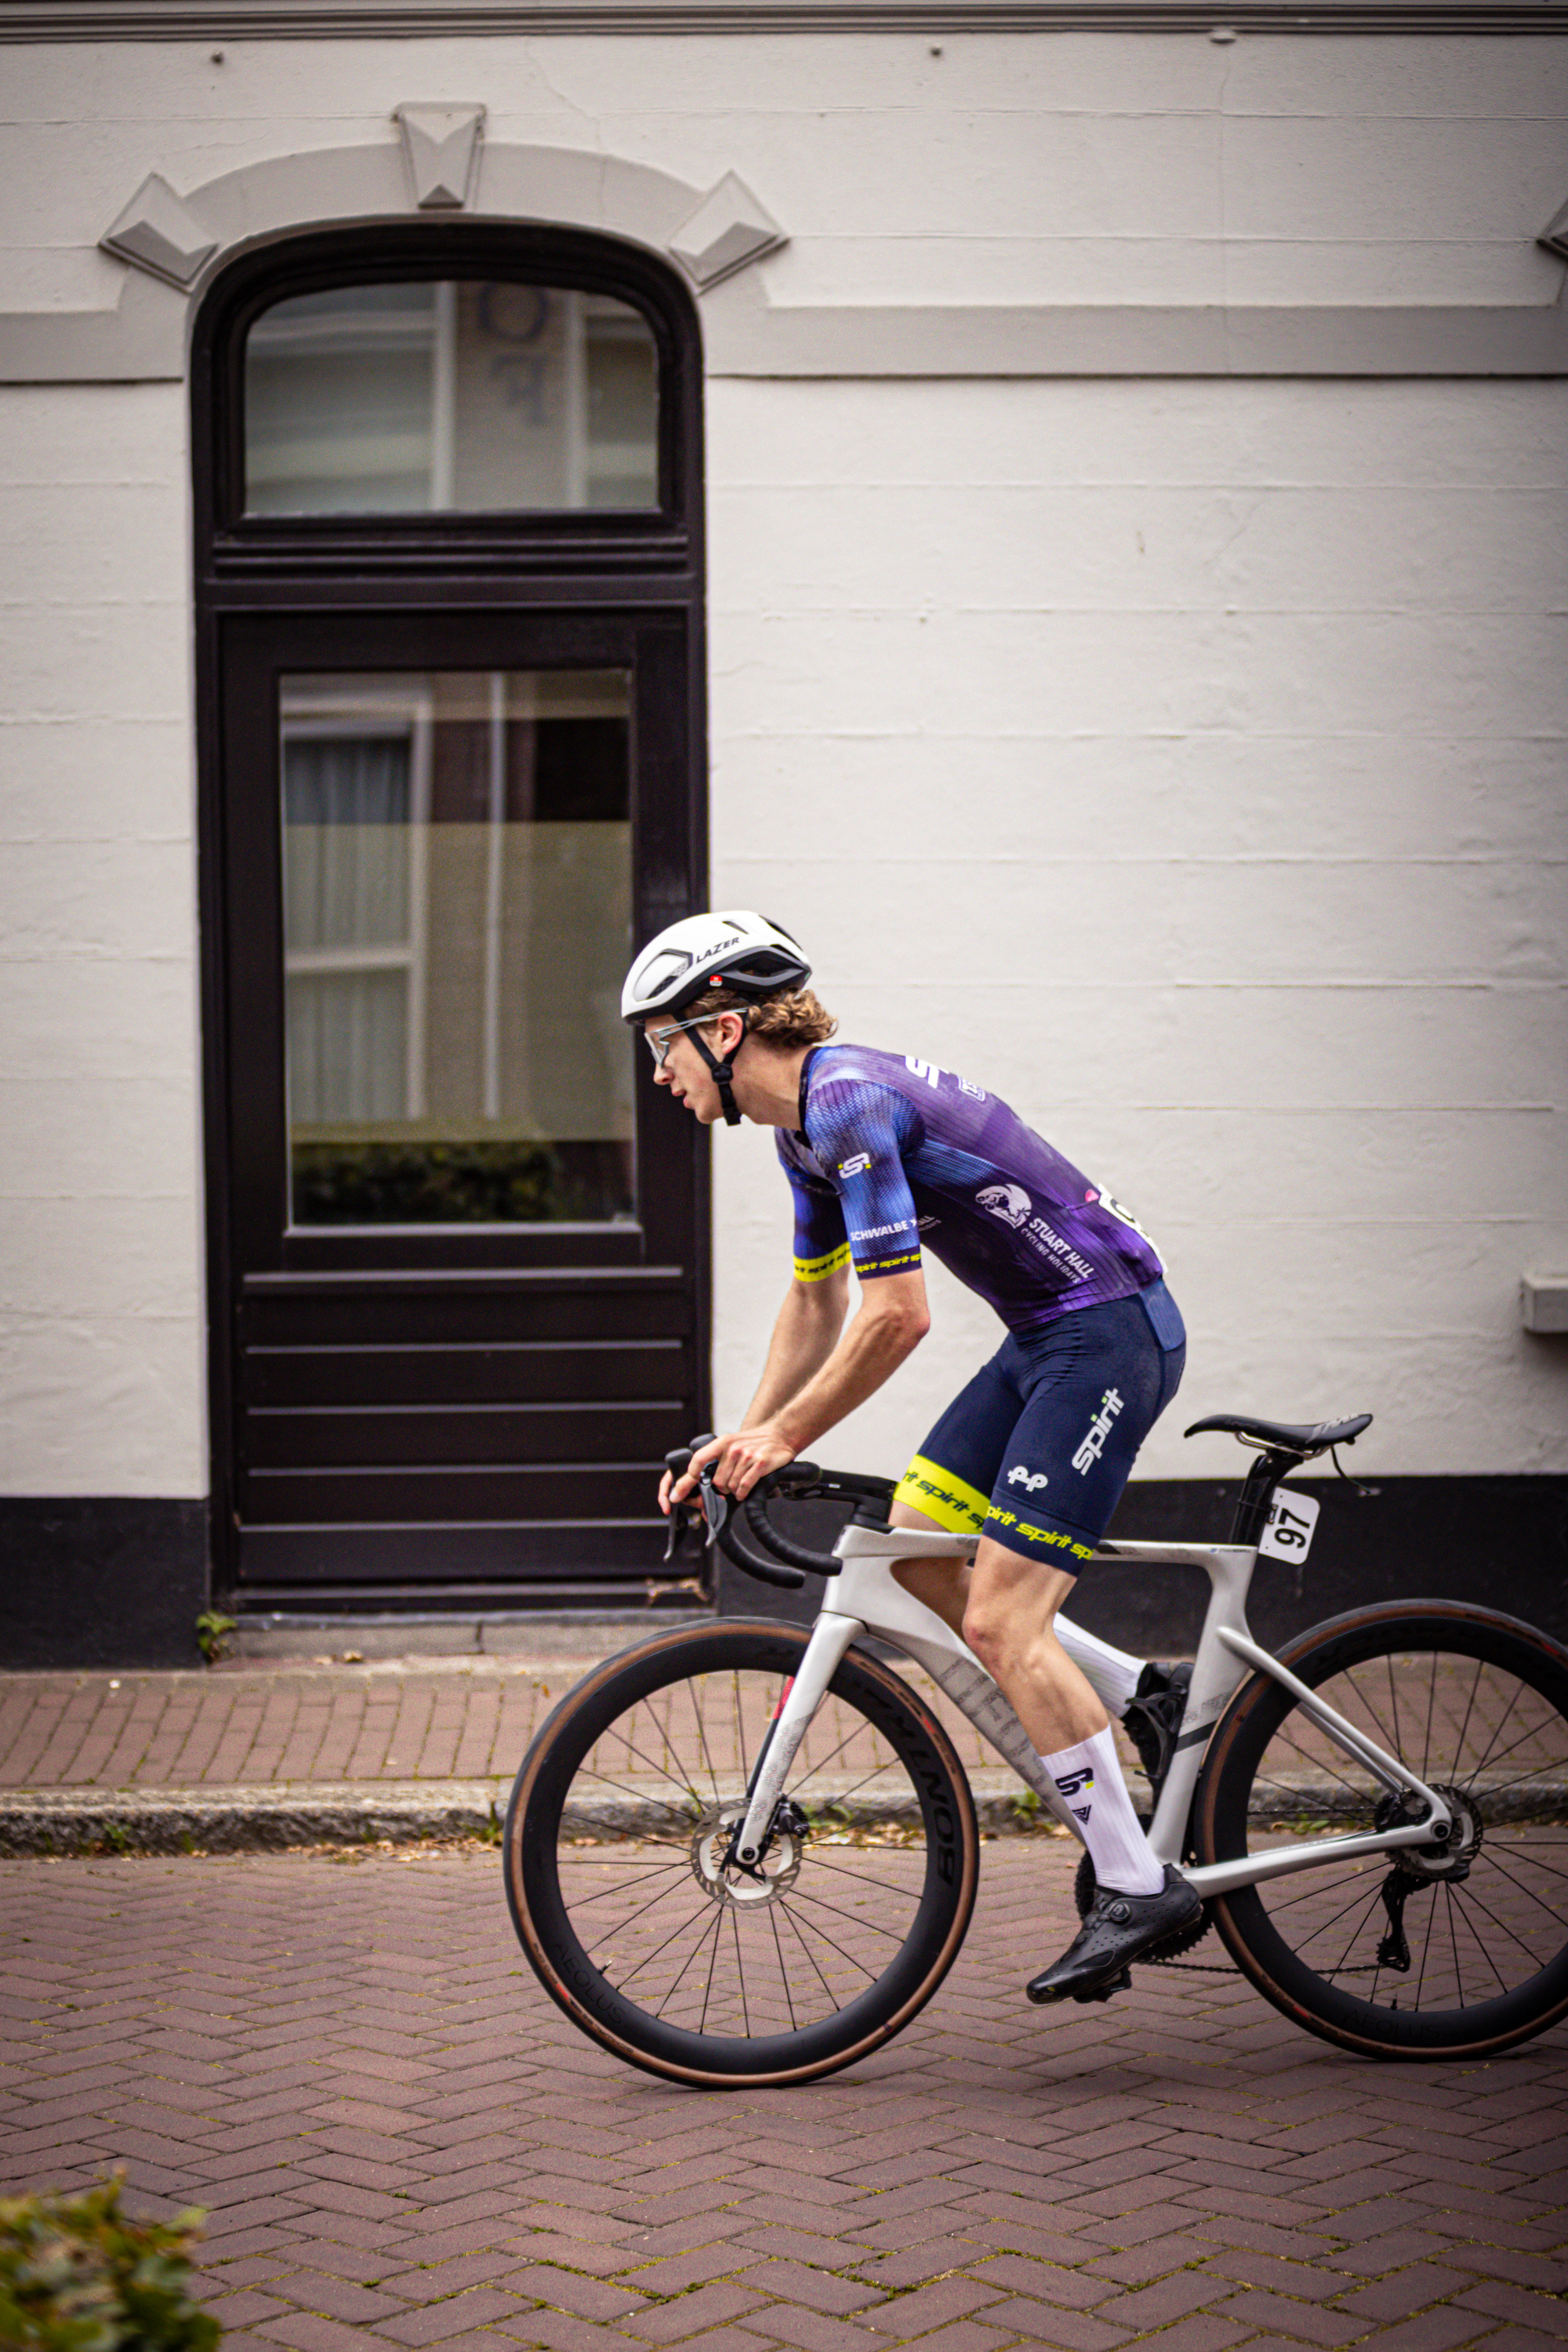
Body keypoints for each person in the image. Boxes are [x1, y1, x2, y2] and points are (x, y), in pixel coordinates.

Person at [622, 910, 1200, 2005]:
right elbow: (816, 1299)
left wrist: (785, 1438)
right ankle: (1145, 1696)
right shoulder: (802, 1129)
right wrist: (745, 1437)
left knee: (998, 1621)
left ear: (727, 1028)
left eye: (663, 1044)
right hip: (1046, 1340)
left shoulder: (845, 1103)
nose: (658, 1072)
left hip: (1110, 1335)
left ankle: (1138, 1884)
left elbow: (896, 1319)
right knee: (921, 1562)